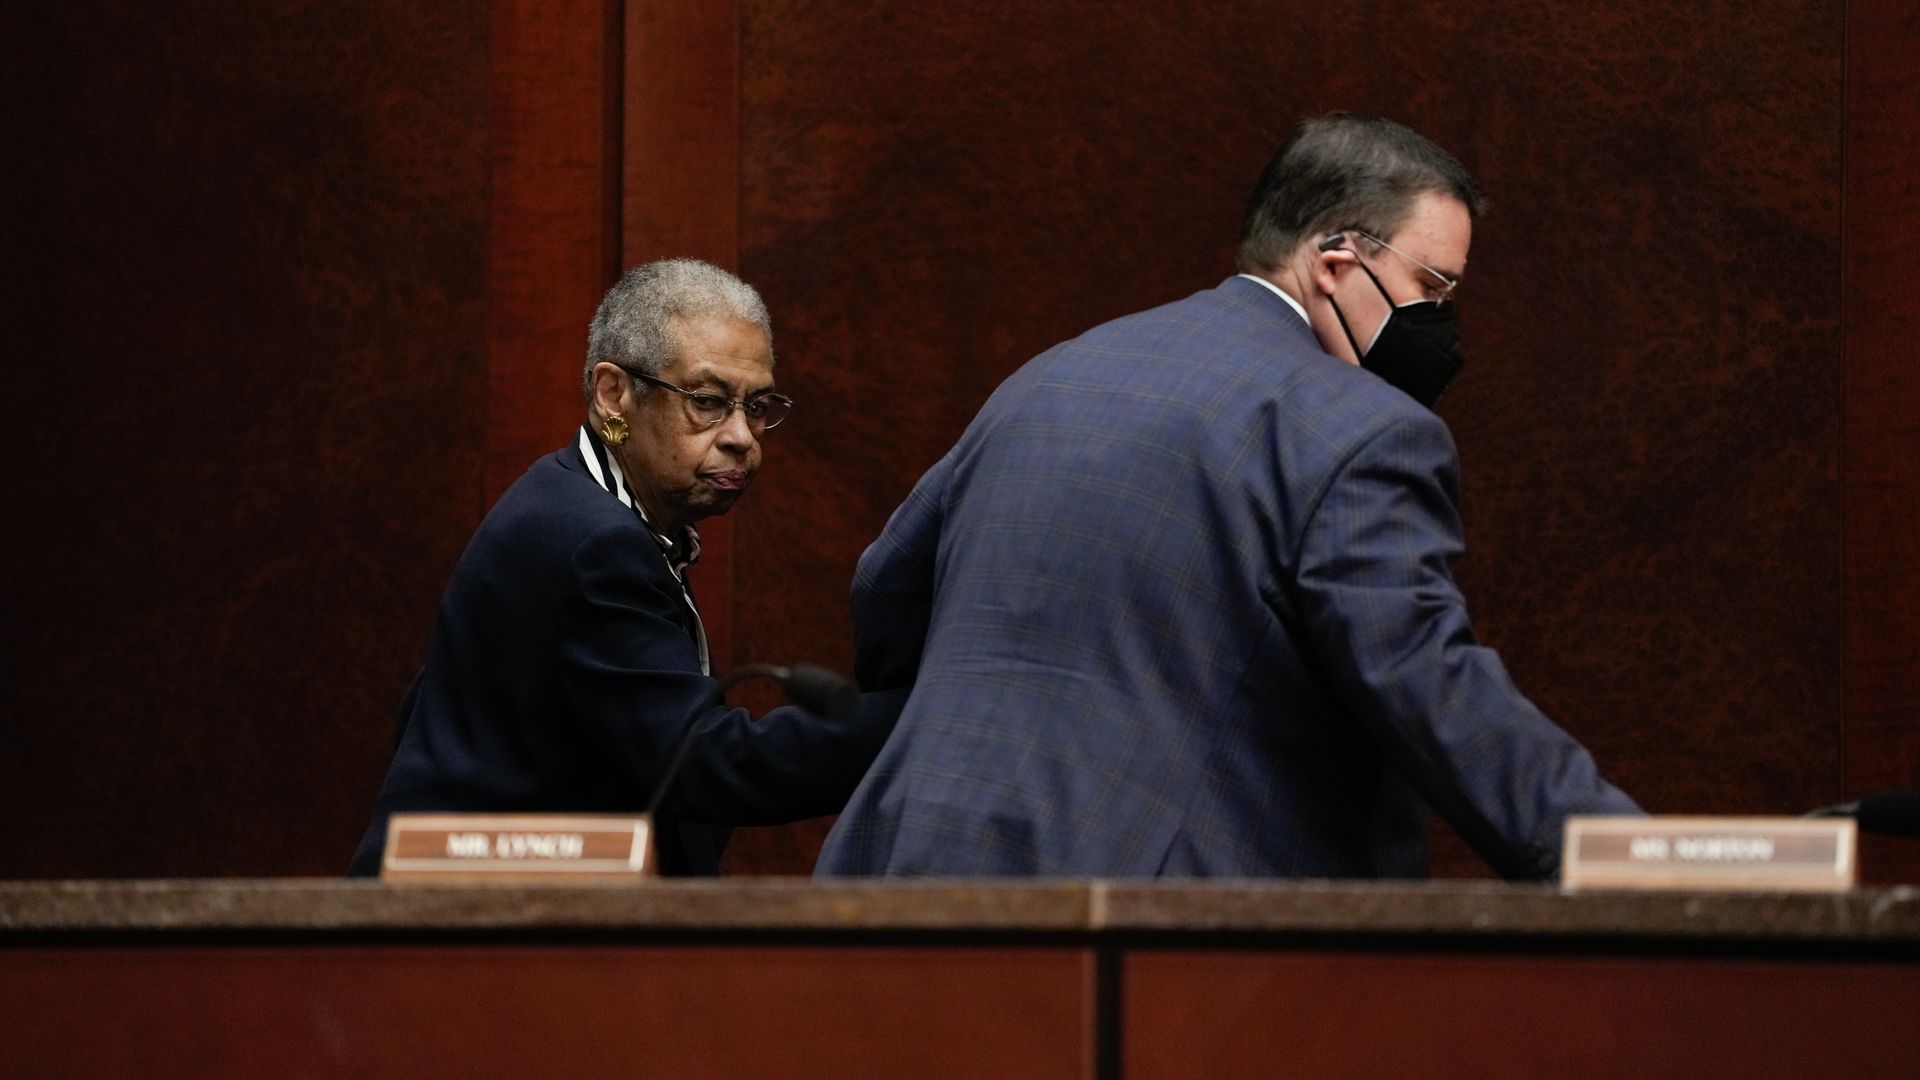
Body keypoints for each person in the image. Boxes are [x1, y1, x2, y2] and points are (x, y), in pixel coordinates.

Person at [816, 114, 1640, 881]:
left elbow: (888, 587)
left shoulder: (1051, 374)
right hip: (1149, 917)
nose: (1443, 321)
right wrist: (1633, 863)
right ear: (1336, 263)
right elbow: (1431, 687)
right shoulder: (1362, 427)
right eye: (1435, 287)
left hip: (902, 870)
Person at [351, 259, 895, 876]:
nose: (743, 436)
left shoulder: (574, 504)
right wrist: (919, 718)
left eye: (758, 405)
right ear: (614, 395)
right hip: (463, 947)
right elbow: (702, 763)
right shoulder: (591, 540)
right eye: (710, 402)